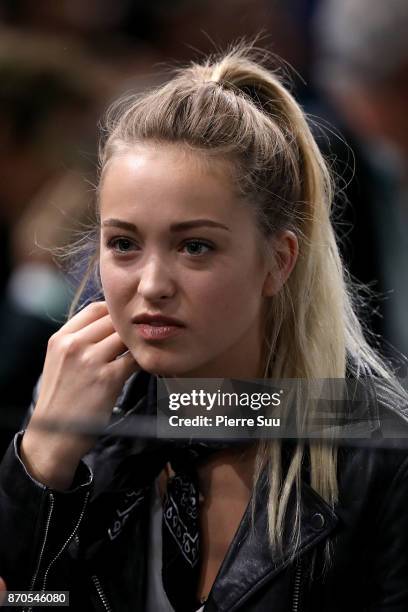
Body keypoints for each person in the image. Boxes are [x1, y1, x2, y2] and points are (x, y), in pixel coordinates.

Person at [0, 42, 408, 612]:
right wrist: (41, 460)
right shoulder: (85, 427)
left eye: (195, 247)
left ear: (279, 261)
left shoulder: (382, 452)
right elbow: (29, 602)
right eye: (123, 244)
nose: (151, 285)